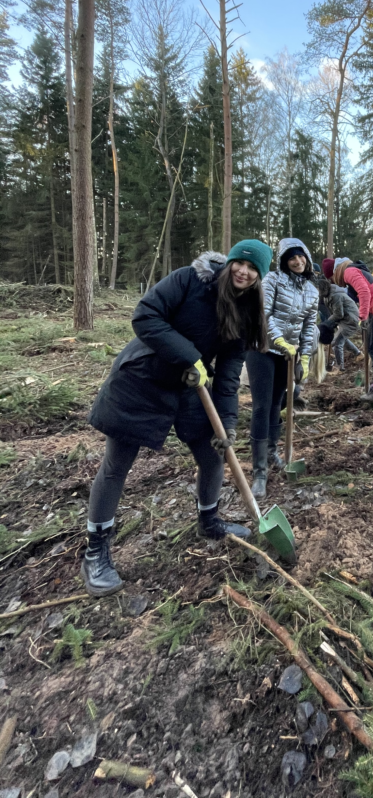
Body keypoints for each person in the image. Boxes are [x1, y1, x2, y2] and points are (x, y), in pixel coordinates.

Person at [84, 240, 272, 597]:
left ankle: (210, 520)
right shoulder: (189, 280)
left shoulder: (247, 309)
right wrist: (190, 356)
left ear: (259, 276)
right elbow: (145, 316)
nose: (243, 272)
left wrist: (227, 423)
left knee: (213, 452)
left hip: (189, 389)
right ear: (230, 261)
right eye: (240, 263)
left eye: (253, 269)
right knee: (116, 465)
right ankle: (96, 550)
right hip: (141, 380)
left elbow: (230, 374)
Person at [246, 238, 318, 498]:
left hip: (288, 354)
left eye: (300, 257)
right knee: (262, 406)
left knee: (278, 404)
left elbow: (309, 325)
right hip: (262, 348)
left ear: (307, 257)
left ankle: (272, 450)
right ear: (283, 261)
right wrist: (279, 341)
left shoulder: (312, 289)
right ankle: (259, 470)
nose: (297, 262)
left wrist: (305, 356)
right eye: (291, 258)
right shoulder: (273, 280)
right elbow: (263, 314)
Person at [334, 258, 373, 399]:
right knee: (371, 348)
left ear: (336, 271)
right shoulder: (354, 272)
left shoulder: (348, 272)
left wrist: (362, 316)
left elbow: (364, 292)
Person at [316, 276, 360, 370]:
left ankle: (339, 367)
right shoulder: (326, 295)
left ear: (323, 288)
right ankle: (358, 354)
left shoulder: (336, 295)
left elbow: (339, 314)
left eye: (318, 289)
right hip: (343, 319)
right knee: (341, 338)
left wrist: (327, 323)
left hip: (349, 320)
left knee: (336, 343)